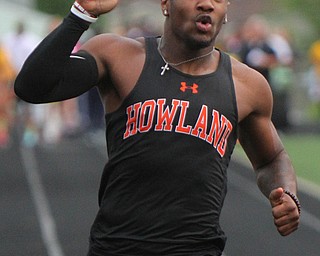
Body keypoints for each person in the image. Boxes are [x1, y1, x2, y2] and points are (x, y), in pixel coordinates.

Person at [14, 1, 300, 255]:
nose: (207, 5)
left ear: (225, 12)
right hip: (116, 245)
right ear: (165, 3)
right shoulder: (119, 55)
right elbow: (33, 87)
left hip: (198, 247)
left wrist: (285, 192)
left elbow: (271, 158)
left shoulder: (248, 85)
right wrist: (81, 15)